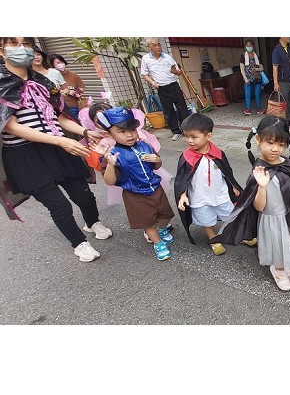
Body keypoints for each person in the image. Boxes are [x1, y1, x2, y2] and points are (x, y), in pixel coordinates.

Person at [0, 36, 111, 263]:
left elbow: (59, 117)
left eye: (26, 44)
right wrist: (60, 141)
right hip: (25, 155)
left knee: (84, 195)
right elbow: (10, 126)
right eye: (14, 44)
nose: (22, 49)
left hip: (58, 149)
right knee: (59, 205)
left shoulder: (43, 81)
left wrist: (85, 132)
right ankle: (79, 243)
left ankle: (92, 222)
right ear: (2, 51)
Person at [211, 116, 290, 291]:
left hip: (287, 215)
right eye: (270, 143)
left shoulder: (286, 164)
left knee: (288, 243)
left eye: (280, 144)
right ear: (258, 139)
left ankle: (286, 266)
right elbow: (259, 207)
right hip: (271, 218)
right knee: (277, 247)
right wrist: (262, 186)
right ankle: (278, 270)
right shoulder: (260, 171)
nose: (275, 149)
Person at [80, 103, 174, 242]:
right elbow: (110, 181)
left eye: (132, 130)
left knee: (166, 214)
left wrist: (157, 159)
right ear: (109, 134)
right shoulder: (111, 154)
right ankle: (157, 243)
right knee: (148, 221)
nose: (129, 135)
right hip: (134, 193)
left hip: (155, 188)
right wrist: (111, 164)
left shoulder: (144, 145)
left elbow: (156, 166)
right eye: (122, 132)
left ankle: (161, 229)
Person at [174, 113, 246, 256]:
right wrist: (182, 195)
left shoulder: (218, 153)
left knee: (232, 215)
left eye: (194, 137)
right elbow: (182, 179)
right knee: (206, 219)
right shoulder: (187, 157)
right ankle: (213, 239)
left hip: (220, 194)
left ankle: (241, 235)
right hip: (199, 197)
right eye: (186, 136)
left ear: (208, 136)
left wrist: (233, 185)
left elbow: (227, 172)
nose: (189, 140)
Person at [140, 37, 190, 141]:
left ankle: (187, 130)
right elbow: (144, 74)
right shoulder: (146, 59)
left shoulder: (167, 57)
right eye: (154, 45)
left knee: (182, 109)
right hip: (162, 89)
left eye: (159, 44)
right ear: (149, 47)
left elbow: (179, 72)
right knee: (168, 111)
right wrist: (152, 82)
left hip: (173, 86)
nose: (158, 47)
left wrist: (175, 72)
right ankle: (176, 131)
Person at [49, 53, 84, 122]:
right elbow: (51, 91)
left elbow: (81, 87)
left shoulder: (73, 75)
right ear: (52, 65)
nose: (61, 64)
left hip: (75, 105)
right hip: (61, 107)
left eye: (62, 62)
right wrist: (62, 92)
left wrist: (76, 92)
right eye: (58, 63)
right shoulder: (52, 77)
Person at [271, 37, 290, 127]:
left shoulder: (289, 49)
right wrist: (276, 83)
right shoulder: (277, 50)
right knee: (283, 102)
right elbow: (275, 68)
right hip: (283, 81)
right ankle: (283, 122)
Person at [239, 39, 264, 116]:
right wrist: (245, 79)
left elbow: (262, 68)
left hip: (257, 78)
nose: (248, 47)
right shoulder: (243, 56)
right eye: (247, 45)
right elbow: (242, 69)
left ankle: (259, 109)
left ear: (253, 46)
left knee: (257, 94)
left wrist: (257, 69)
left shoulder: (257, 57)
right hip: (247, 79)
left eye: (250, 45)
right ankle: (248, 109)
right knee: (248, 95)